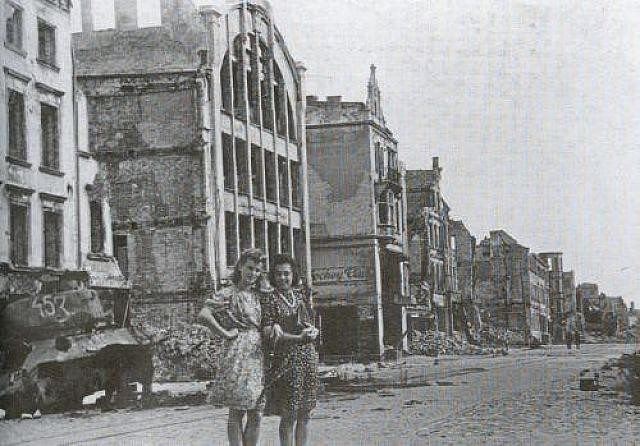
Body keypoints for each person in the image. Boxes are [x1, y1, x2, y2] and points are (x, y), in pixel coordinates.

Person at [198, 248, 266, 446]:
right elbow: (204, 315)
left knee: (257, 411)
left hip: (259, 352)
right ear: (240, 267)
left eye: (257, 270)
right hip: (239, 352)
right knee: (238, 410)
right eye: (250, 268)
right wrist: (226, 333)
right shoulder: (228, 293)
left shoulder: (259, 295)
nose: (253, 274)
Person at [261, 254, 319, 446]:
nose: (283, 278)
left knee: (305, 412)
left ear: (293, 275)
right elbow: (269, 332)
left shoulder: (300, 296)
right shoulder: (269, 299)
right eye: (278, 274)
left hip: (307, 359)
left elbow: (307, 322)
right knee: (289, 414)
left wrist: (312, 331)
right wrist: (297, 338)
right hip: (287, 362)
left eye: (286, 274)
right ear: (273, 276)